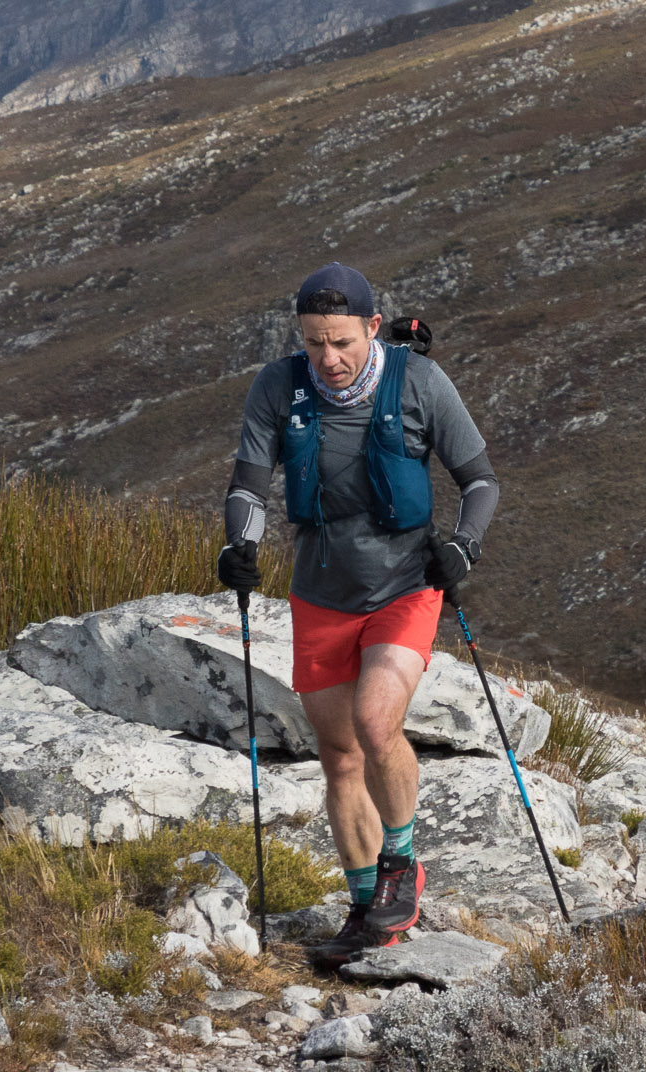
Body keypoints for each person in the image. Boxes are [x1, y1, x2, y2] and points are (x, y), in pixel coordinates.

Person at [215, 262, 498, 969]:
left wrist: (463, 548)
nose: (328, 359)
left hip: (405, 584)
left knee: (377, 723)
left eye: (341, 341)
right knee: (338, 757)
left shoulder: (421, 383)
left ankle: (402, 864)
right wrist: (239, 547)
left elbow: (482, 481)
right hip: (320, 591)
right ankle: (367, 912)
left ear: (373, 327)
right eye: (314, 343)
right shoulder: (278, 387)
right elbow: (249, 486)